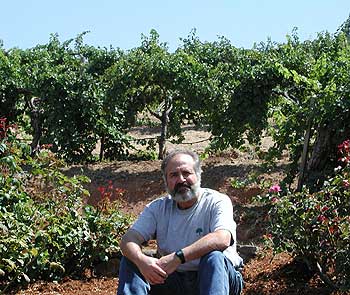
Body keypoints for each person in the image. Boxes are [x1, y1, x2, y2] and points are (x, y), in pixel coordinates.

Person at [117, 149, 243, 295]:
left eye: (186, 173)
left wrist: (178, 257)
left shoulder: (217, 201)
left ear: (198, 175)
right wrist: (141, 261)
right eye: (174, 175)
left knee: (214, 257)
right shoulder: (158, 208)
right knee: (131, 260)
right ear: (166, 181)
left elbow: (222, 238)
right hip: (174, 281)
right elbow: (128, 239)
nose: (181, 179)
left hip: (219, 279)